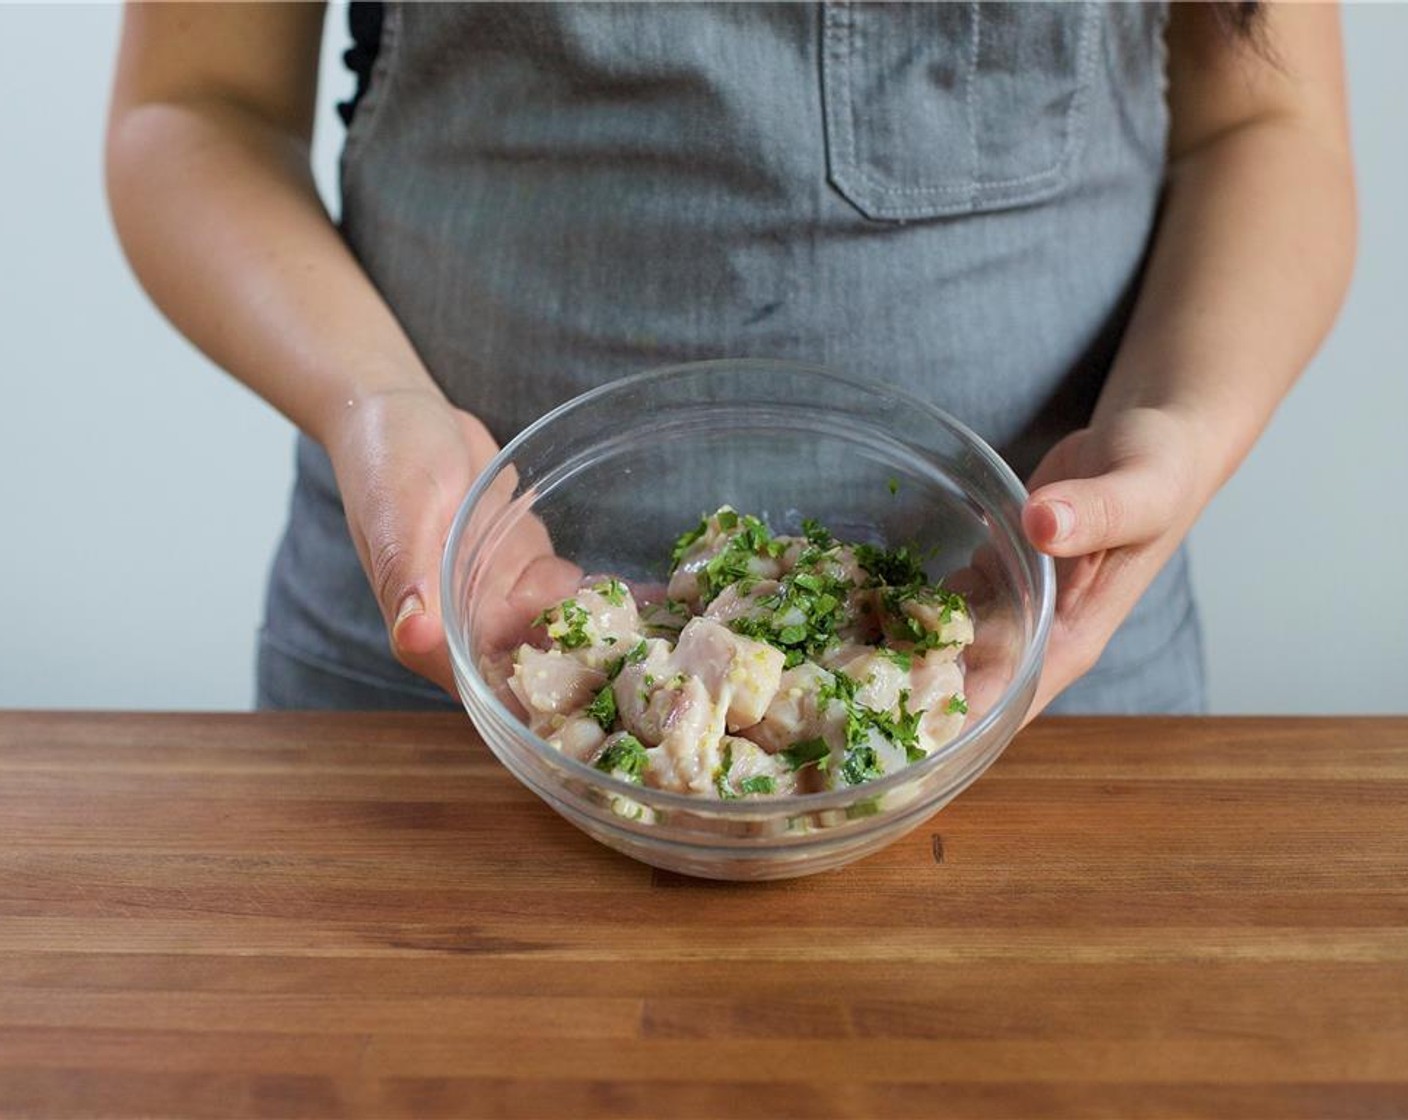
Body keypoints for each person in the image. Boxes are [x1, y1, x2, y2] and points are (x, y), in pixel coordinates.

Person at [105, 2, 1355, 717]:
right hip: (433, 667)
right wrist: (371, 405)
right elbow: (193, 105)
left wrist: (1179, 426)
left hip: (1045, 664)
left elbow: (1267, 119)